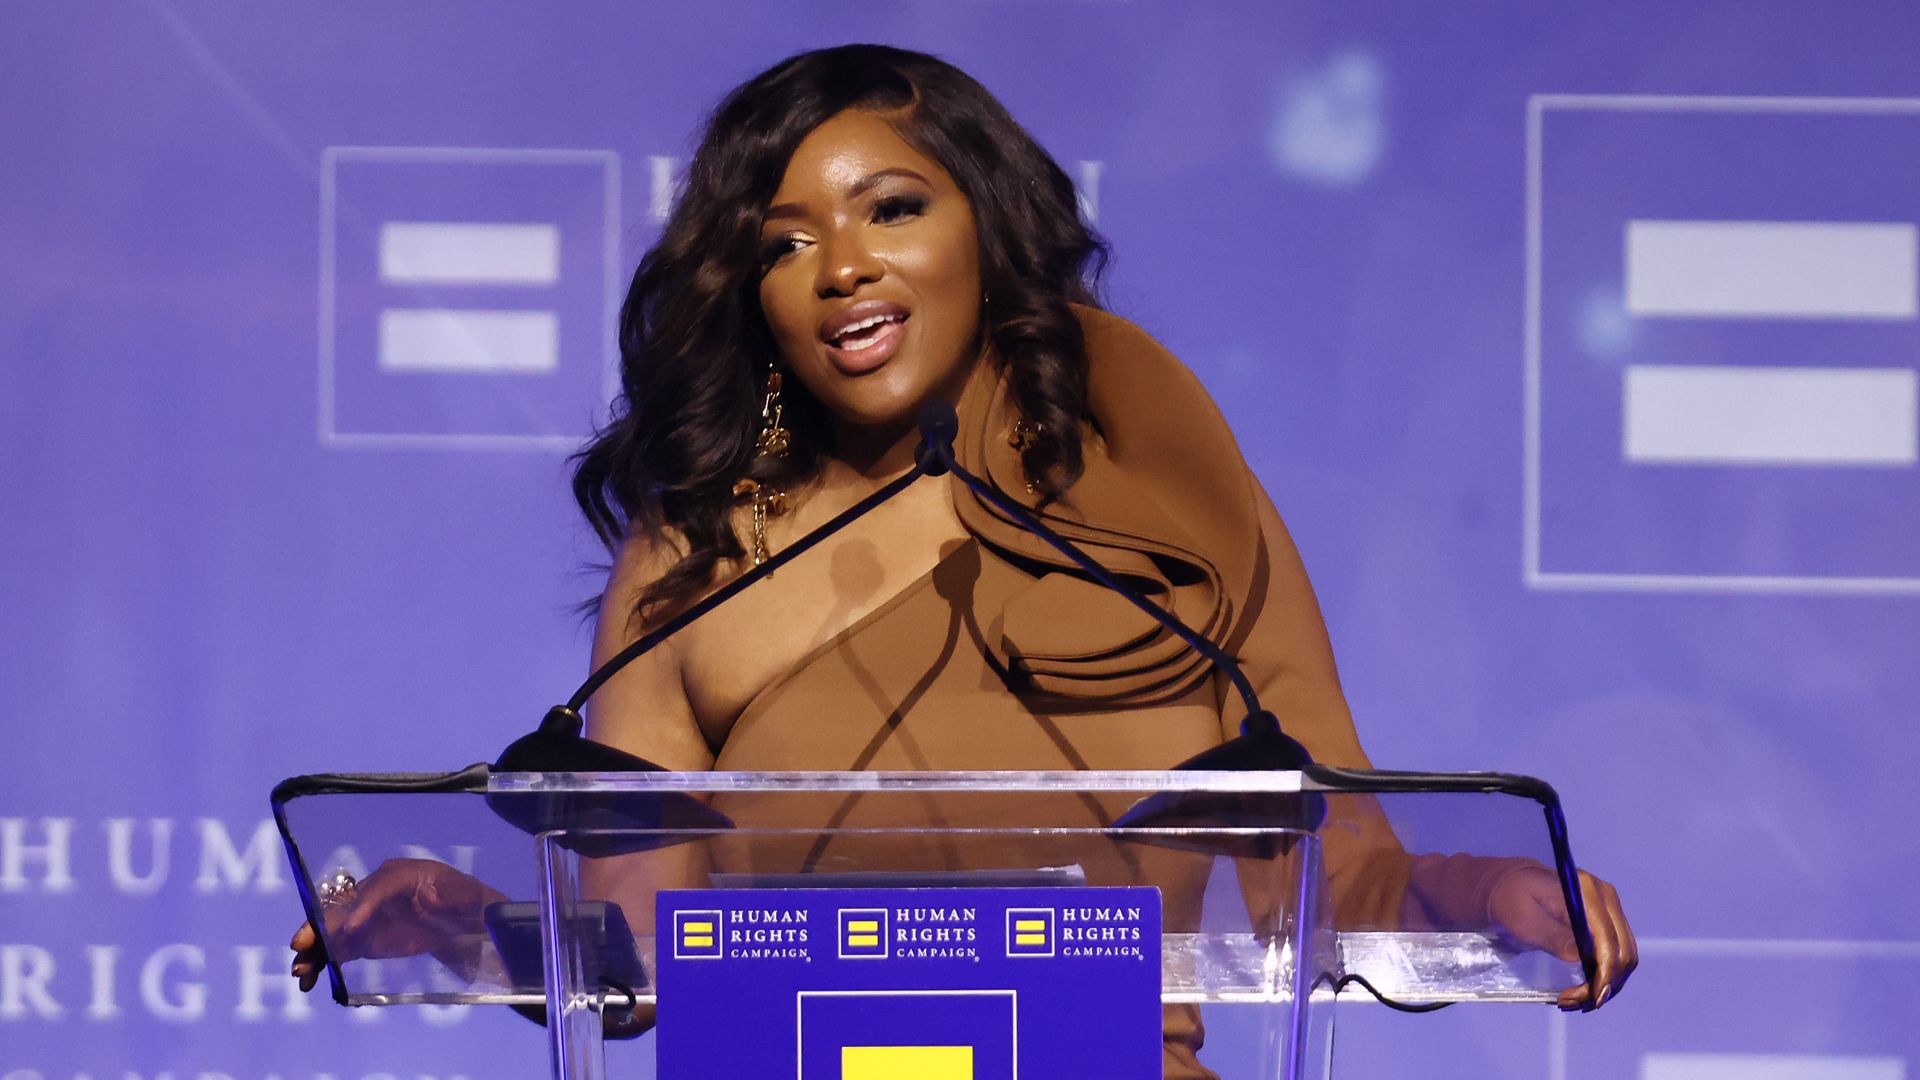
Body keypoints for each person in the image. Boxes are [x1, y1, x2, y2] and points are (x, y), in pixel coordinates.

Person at [293, 42, 1635, 1077]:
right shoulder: (693, 550)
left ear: (985, 230)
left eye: (891, 208)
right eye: (786, 241)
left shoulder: (1167, 519)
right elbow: (638, 961)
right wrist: (458, 923)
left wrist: (1499, 896)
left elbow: (1347, 887)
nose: (842, 268)